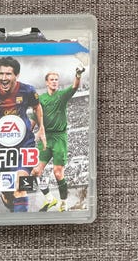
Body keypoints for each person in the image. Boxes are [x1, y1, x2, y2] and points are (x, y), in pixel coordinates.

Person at [0, 57, 46, 212]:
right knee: (8, 193)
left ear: (16, 75)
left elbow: (37, 107)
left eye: (8, 74)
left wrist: (41, 128)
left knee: (20, 187)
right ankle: (9, 201)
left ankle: (22, 222)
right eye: (1, 74)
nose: (4, 78)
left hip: (23, 145)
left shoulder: (28, 91)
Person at [32, 67, 85, 212]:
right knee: (35, 171)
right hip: (45, 138)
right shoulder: (41, 99)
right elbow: (35, 118)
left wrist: (78, 75)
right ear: (46, 82)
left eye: (56, 80)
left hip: (59, 138)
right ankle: (50, 199)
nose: (55, 82)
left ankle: (63, 202)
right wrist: (27, 133)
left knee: (58, 172)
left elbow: (74, 86)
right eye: (52, 80)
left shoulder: (61, 95)